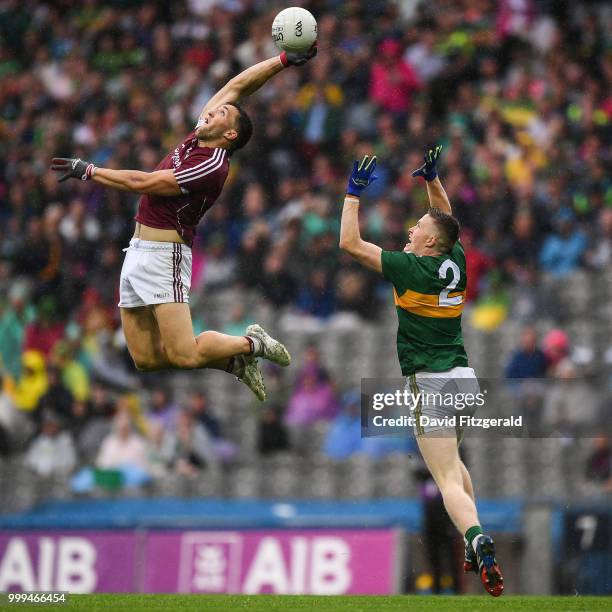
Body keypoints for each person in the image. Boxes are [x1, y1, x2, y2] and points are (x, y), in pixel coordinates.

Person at [51, 46, 317, 401]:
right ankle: (233, 364)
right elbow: (238, 86)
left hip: (166, 254)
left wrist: (90, 171)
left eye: (221, 114)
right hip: (137, 249)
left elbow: (142, 183)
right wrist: (282, 61)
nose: (211, 110)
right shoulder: (202, 133)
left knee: (184, 352)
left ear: (230, 135)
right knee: (145, 360)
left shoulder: (212, 165)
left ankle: (252, 343)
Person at [339, 147, 504, 596]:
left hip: (429, 383)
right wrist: (433, 181)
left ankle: (475, 538)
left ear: (429, 242)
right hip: (463, 383)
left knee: (446, 478)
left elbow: (350, 245)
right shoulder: (456, 260)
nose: (412, 229)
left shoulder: (410, 268)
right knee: (455, 466)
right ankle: (476, 539)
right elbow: (447, 221)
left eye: (419, 228)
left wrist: (353, 194)